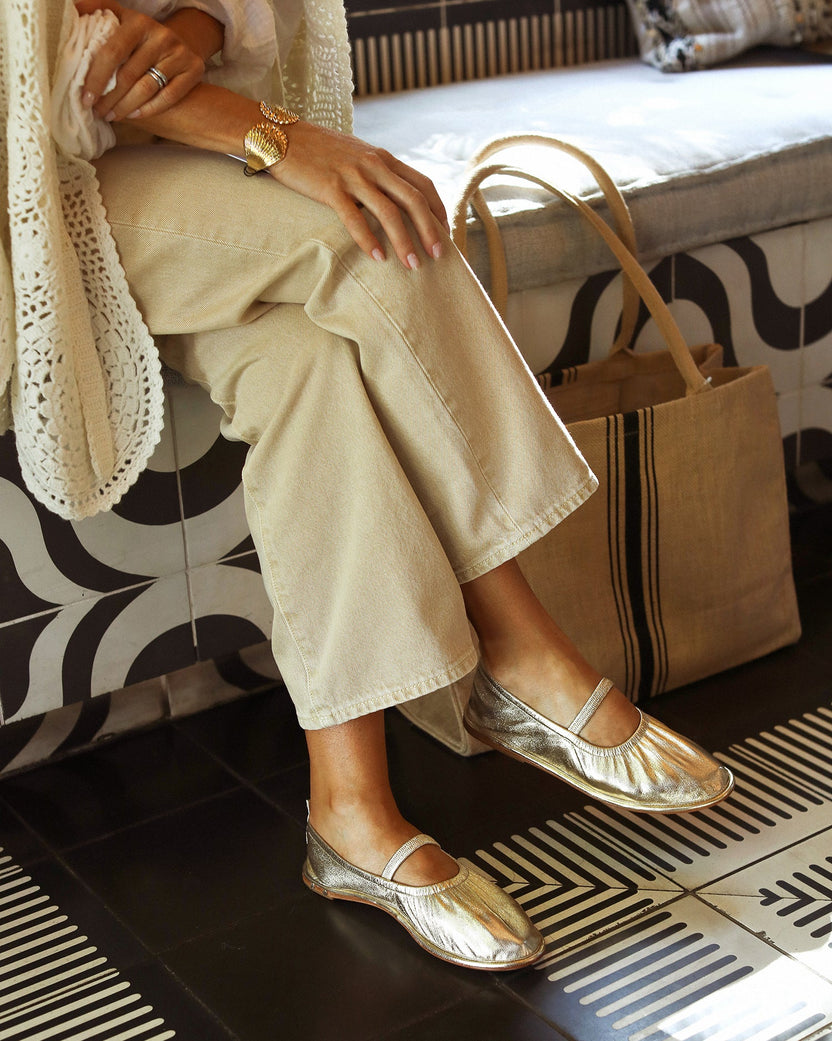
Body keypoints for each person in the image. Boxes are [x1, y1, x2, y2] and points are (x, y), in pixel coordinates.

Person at [1, 0, 733, 972]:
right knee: (371, 233)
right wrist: (265, 135)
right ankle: (518, 647)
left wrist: (196, 27)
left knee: (309, 363)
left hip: (151, 148)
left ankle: (350, 818)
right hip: (38, 188)